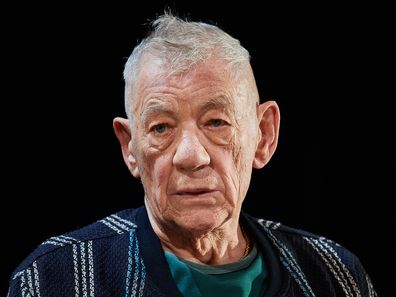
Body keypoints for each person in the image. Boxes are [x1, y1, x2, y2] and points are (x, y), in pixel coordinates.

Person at [8, 13, 376, 297]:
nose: (191, 156)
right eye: (161, 128)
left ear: (264, 135)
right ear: (130, 147)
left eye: (216, 122)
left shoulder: (334, 275)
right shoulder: (56, 278)